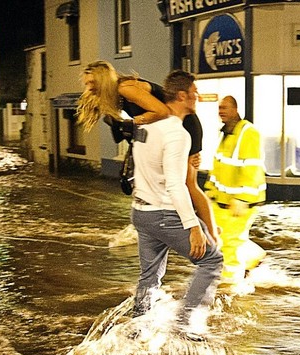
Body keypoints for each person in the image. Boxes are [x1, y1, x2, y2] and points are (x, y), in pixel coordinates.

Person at [77, 60, 219, 244]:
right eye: (86, 83)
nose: (88, 87)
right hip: (168, 130)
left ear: (102, 80)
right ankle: (200, 227)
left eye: (91, 83)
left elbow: (162, 111)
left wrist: (133, 122)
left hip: (185, 124)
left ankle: (214, 236)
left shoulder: (124, 88)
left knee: (189, 185)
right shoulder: (112, 95)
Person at [130, 69, 223, 339]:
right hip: (163, 213)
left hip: (141, 212)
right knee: (212, 260)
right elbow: (174, 184)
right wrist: (194, 226)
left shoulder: (145, 124)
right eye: (194, 93)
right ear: (182, 96)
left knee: (149, 277)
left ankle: (138, 332)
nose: (197, 98)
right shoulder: (177, 133)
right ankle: (185, 323)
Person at [204, 95, 267, 286]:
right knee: (217, 239)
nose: (221, 111)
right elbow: (218, 167)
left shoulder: (249, 133)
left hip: (241, 202)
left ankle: (230, 286)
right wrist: (209, 192)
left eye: (225, 108)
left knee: (231, 243)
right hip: (222, 201)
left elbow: (252, 167)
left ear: (236, 110)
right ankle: (254, 259)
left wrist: (242, 198)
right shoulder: (225, 133)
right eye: (219, 108)